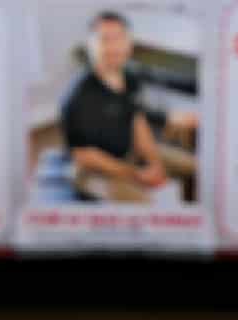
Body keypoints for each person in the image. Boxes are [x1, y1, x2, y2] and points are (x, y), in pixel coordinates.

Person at [59, 10, 197, 202]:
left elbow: (137, 123)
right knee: (145, 204)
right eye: (105, 39)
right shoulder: (78, 95)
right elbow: (85, 156)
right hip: (93, 172)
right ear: (91, 45)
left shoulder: (130, 77)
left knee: (195, 167)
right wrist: (135, 174)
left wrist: (154, 163)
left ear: (129, 42)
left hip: (128, 153)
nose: (114, 47)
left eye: (119, 38)